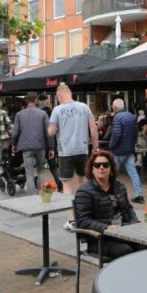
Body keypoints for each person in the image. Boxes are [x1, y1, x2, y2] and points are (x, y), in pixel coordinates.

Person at [47, 83, 98, 230]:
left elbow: (51, 132)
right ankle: (86, 216)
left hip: (66, 152)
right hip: (82, 150)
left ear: (59, 96)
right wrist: (95, 147)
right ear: (70, 93)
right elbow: (93, 128)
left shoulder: (57, 110)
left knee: (67, 187)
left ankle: (72, 221)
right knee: (83, 182)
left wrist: (52, 126)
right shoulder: (84, 106)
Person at [74, 150, 139, 259]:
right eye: (97, 165)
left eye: (105, 165)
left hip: (123, 232)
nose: (101, 168)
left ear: (111, 168)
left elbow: (129, 208)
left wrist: (136, 223)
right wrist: (106, 227)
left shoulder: (119, 186)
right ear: (92, 169)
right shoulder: (84, 192)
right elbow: (83, 220)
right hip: (99, 239)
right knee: (127, 251)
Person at [12, 92, 54, 195]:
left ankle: (32, 196)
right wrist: (51, 148)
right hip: (40, 146)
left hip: (26, 147)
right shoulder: (43, 114)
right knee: (41, 170)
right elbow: (48, 133)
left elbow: (15, 133)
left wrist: (14, 144)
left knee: (29, 172)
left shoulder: (19, 114)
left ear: (26, 101)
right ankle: (42, 193)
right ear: (36, 101)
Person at [108, 98, 144, 204]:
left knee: (112, 173)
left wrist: (111, 146)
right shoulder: (131, 116)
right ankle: (139, 195)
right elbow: (136, 132)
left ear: (114, 107)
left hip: (119, 150)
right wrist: (132, 144)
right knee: (133, 172)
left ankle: (111, 195)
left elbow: (116, 134)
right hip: (129, 149)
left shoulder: (117, 117)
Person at [37, 94, 63, 193]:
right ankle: (60, 184)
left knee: (40, 167)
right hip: (52, 142)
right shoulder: (53, 112)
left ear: (39, 101)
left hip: (41, 142)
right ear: (46, 101)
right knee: (53, 166)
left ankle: (42, 188)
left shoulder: (38, 113)